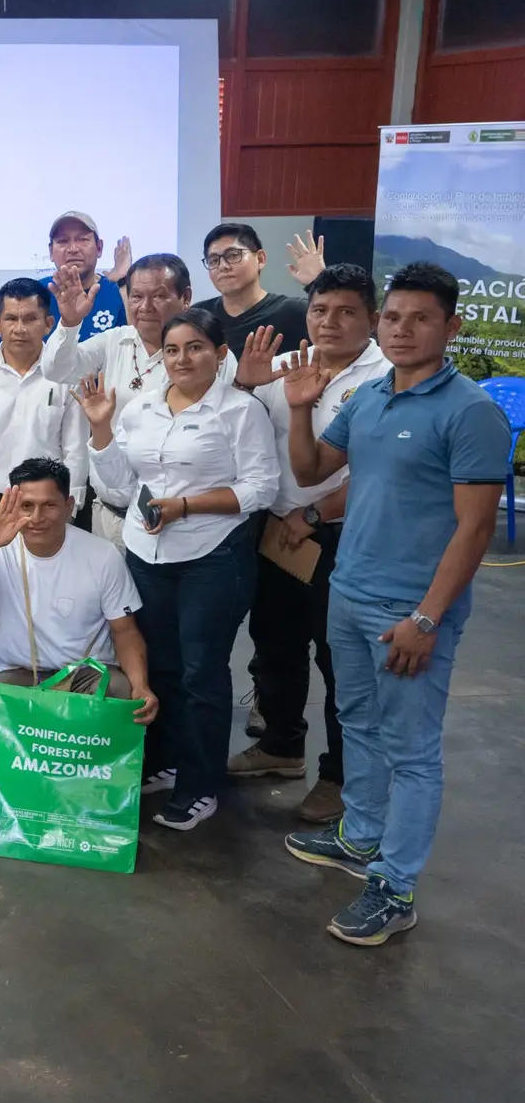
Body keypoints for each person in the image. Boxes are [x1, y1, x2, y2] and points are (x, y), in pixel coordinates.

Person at [280, 263, 508, 946]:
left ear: (451, 326)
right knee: (359, 721)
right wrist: (297, 406)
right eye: (395, 317)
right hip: (349, 590)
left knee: (412, 749)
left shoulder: (470, 412)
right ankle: (362, 834)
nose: (404, 330)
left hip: (409, 609)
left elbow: (475, 528)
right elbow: (311, 472)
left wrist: (427, 617)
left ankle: (396, 884)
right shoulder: (372, 398)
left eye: (421, 318)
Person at [81, 308, 278, 832]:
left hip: (211, 557)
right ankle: (166, 761)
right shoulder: (141, 406)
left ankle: (200, 784)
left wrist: (187, 506)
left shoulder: (240, 411)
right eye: (172, 350)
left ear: (220, 353)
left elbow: (262, 488)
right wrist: (101, 431)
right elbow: (120, 487)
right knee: (162, 665)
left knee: (201, 674)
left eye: (195, 347)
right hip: (147, 556)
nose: (183, 359)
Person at [228, 264, 389, 822]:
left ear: (371, 318)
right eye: (320, 310)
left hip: (343, 536)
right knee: (274, 644)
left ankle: (340, 778)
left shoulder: (385, 377)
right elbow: (241, 432)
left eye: (346, 312)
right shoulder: (288, 367)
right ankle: (280, 745)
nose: (330, 322)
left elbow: (379, 471)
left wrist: (316, 512)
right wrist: (246, 384)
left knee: (340, 661)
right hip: (276, 530)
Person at [0, 459, 157, 761]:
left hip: (87, 675)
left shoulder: (102, 555)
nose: (37, 517)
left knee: (123, 704)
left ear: (69, 505)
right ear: (13, 504)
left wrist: (141, 686)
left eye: (49, 506)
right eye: (27, 506)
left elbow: (125, 631)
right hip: (19, 673)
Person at [0, 277, 88, 692]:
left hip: (45, 506)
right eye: (11, 318)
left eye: (30, 318)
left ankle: (42, 683)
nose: (20, 327)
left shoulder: (66, 374)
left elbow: (75, 447)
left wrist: (71, 505)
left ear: (48, 322)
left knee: (43, 595)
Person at [44, 254, 217, 543]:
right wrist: (70, 323)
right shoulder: (115, 340)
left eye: (159, 296)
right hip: (110, 514)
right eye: (136, 296)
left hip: (179, 518)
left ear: (185, 297)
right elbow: (57, 369)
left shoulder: (207, 352)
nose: (145, 307)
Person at [197, 222, 308, 354]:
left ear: (260, 259)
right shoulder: (200, 316)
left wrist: (318, 281)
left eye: (233, 255)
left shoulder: (295, 312)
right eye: (214, 261)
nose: (223, 266)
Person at [42, 212, 128, 340]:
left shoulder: (119, 291)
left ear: (99, 247)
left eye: (82, 239)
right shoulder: (37, 292)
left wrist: (124, 280)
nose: (73, 249)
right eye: (62, 241)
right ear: (51, 251)